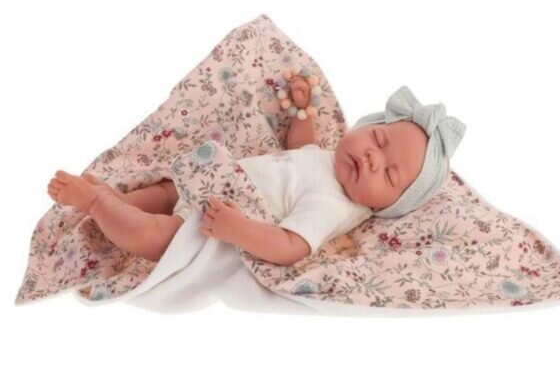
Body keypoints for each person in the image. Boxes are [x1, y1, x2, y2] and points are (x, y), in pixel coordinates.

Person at [46, 78, 465, 267]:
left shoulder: (335, 206)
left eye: (388, 175)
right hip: (206, 183)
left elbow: (290, 246)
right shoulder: (327, 159)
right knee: (161, 193)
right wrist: (303, 114)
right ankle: (116, 201)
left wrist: (239, 230)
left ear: (387, 206)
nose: (373, 157)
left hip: (211, 223)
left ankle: (97, 202)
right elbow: (298, 152)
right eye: (377, 138)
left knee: (151, 235)